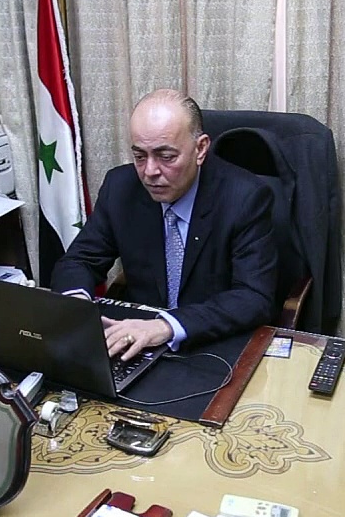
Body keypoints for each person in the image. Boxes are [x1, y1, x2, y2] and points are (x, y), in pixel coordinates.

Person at [51, 89, 278, 359]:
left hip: (210, 343)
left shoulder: (244, 198)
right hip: (139, 344)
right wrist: (77, 307)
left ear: (200, 149)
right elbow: (79, 261)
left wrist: (166, 326)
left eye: (166, 156)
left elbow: (253, 297)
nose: (150, 172)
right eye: (140, 156)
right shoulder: (120, 188)